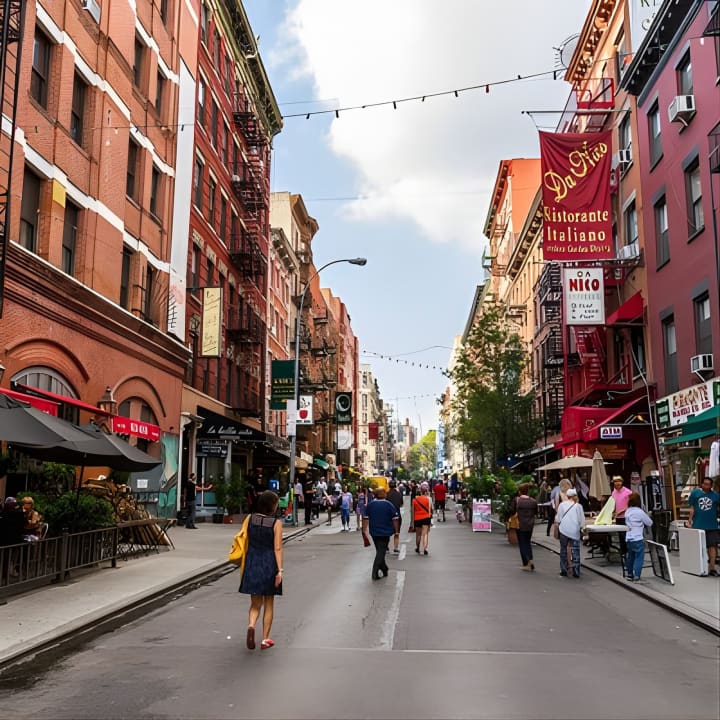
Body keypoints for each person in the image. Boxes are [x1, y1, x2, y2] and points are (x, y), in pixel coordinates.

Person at [240, 490, 283, 651]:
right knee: (269, 603)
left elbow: (244, 539)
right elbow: (277, 548)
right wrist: (280, 570)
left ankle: (251, 626)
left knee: (255, 603)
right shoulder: (276, 523)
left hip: (252, 562)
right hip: (269, 564)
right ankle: (265, 639)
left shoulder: (250, 519)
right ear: (272, 505)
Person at [362, 487, 400, 580]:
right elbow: (395, 519)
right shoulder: (389, 505)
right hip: (385, 532)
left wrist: (364, 530)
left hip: (374, 532)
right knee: (381, 552)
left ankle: (384, 568)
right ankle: (374, 572)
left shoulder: (370, 505)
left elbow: (365, 518)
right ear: (384, 494)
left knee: (380, 551)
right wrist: (396, 531)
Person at [687, 476, 720, 576]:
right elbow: (692, 508)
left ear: (711, 486)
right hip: (698, 525)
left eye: (708, 484)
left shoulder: (716, 496)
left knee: (712, 546)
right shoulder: (695, 493)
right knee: (699, 547)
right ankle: (699, 567)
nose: (706, 486)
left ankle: (712, 568)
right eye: (705, 484)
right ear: (701, 484)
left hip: (712, 525)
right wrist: (689, 520)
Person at [556, 488, 585, 578]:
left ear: (568, 496)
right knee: (575, 550)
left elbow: (559, 518)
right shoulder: (578, 506)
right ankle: (576, 571)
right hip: (574, 531)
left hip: (563, 530)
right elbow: (581, 520)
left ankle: (563, 570)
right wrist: (581, 528)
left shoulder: (562, 505)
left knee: (563, 550)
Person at [624, 492, 653, 582]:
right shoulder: (640, 512)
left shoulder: (627, 511)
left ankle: (629, 574)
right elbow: (649, 523)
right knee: (639, 556)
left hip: (628, 537)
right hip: (637, 537)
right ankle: (637, 575)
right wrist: (648, 515)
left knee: (630, 556)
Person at [510, 483, 538, 571]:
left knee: (522, 543)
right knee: (528, 542)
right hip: (530, 524)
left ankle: (526, 563)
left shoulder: (517, 500)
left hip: (520, 524)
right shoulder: (533, 501)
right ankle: (530, 558)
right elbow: (536, 512)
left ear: (520, 491)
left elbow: (512, 510)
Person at [611, 475, 632, 557]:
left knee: (626, 534)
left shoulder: (628, 492)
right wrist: (612, 512)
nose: (617, 483)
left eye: (619, 481)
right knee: (620, 535)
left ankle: (628, 551)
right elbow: (613, 504)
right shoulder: (614, 493)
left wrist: (621, 511)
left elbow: (630, 505)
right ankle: (623, 552)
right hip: (618, 517)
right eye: (615, 482)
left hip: (625, 516)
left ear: (622, 482)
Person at [412, 482, 433, 555]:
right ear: (426, 491)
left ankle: (417, 548)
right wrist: (430, 517)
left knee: (418, 534)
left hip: (417, 518)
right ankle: (425, 548)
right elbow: (430, 509)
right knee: (425, 534)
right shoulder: (428, 499)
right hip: (426, 517)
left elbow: (413, 511)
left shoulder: (415, 500)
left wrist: (412, 522)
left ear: (420, 491)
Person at [386, 479, 404, 552]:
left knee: (387, 532)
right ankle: (396, 547)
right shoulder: (399, 494)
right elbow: (401, 504)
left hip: (387, 515)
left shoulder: (386, 494)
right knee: (397, 532)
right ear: (395, 485)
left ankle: (386, 547)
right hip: (397, 515)